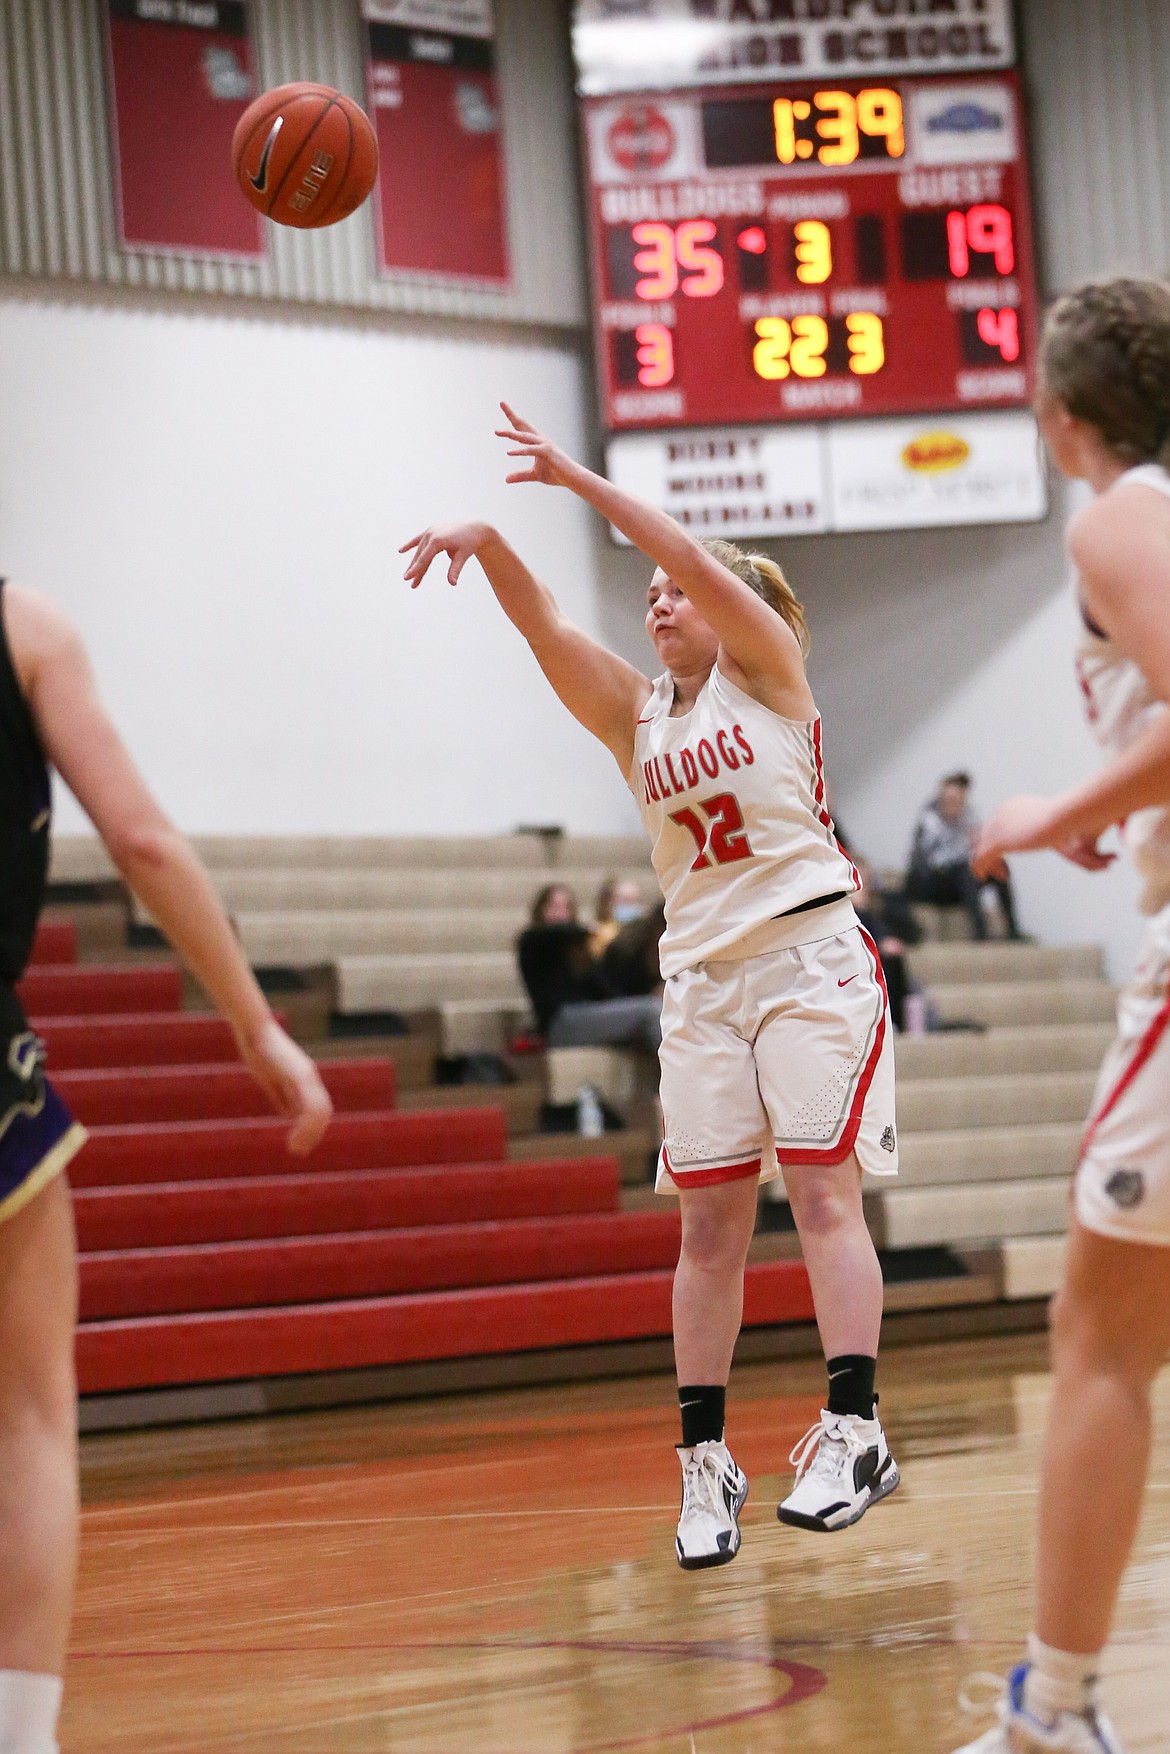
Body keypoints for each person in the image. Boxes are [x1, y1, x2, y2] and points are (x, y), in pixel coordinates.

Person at [402, 402, 900, 1571]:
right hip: (702, 982)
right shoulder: (639, 714)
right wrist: (488, 539)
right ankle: (703, 1458)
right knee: (710, 1225)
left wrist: (572, 476)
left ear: (736, 612)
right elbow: (544, 627)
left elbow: (678, 555)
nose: (659, 601)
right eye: (654, 599)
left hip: (807, 957)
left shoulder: (770, 672)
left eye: (678, 593)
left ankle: (854, 1424)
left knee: (823, 1196)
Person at [0, 579, 333, 1754]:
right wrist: (256, 1023)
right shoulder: (26, 629)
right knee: (28, 1415)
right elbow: (143, 839)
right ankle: (21, 1731)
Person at [952, 277, 1170, 1754]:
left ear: (1059, 415)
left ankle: (1058, 1715)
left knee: (1095, 1334)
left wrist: (1040, 817)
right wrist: (1122, 807)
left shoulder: (1115, 515)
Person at [516, 881, 661, 1052]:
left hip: (583, 1014)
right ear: (540, 910)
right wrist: (587, 930)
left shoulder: (577, 949)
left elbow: (602, 989)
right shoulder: (532, 942)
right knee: (650, 1011)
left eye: (565, 907)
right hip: (559, 1022)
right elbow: (552, 934)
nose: (560, 912)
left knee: (652, 1009)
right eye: (553, 906)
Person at [906, 771, 1024, 940]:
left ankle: (1013, 931)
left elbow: (977, 847)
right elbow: (932, 862)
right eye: (950, 800)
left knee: (998, 866)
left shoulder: (969, 815)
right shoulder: (930, 819)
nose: (954, 804)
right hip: (931, 883)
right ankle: (981, 935)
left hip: (960, 881)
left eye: (959, 800)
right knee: (965, 872)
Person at [590, 874, 647, 958]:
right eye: (625, 900)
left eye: (634, 901)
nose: (629, 905)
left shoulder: (647, 936)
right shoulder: (599, 935)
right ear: (612, 903)